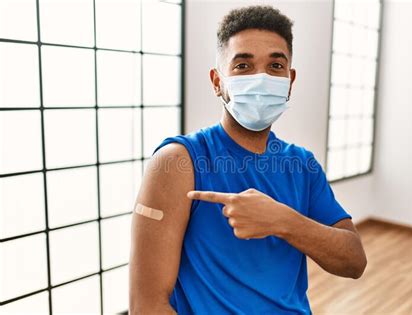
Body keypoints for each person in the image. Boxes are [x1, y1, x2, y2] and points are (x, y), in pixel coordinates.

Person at [129, 5, 367, 314]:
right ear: (218, 81)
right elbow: (147, 306)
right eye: (243, 66)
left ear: (290, 80)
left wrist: (282, 221)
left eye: (275, 66)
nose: (261, 80)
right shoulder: (178, 162)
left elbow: (354, 261)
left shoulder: (302, 165)